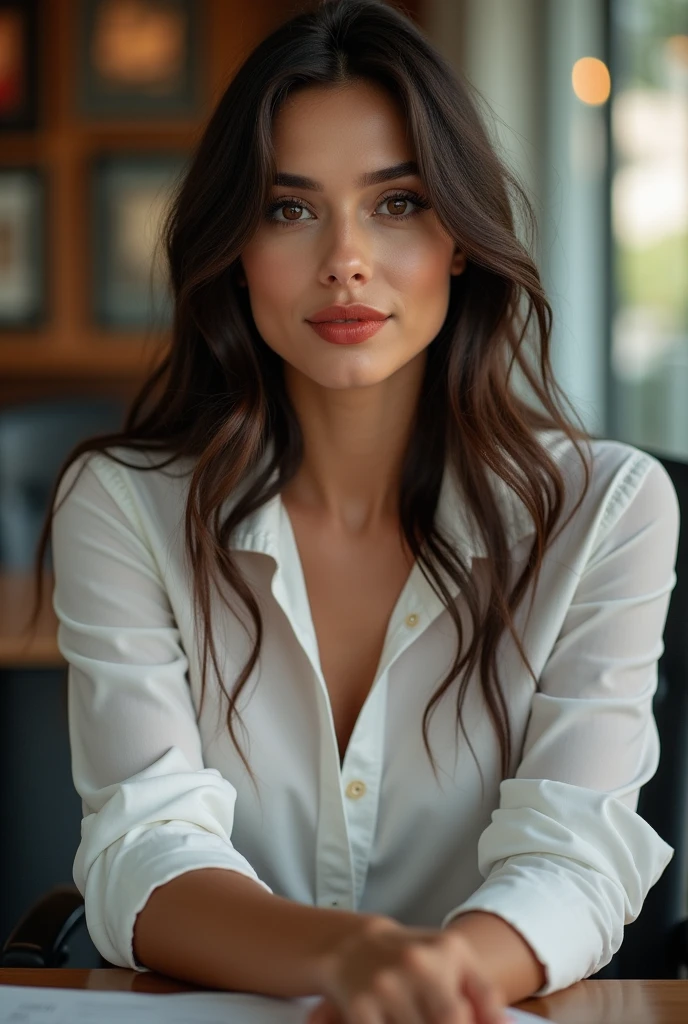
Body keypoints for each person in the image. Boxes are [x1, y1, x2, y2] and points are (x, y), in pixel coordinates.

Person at [29, 1, 678, 1022]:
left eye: (397, 202)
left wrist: (429, 989)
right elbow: (144, 846)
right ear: (235, 248)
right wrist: (353, 959)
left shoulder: (608, 509)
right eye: (290, 209)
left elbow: (573, 852)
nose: (345, 258)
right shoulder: (123, 505)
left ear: (460, 240)